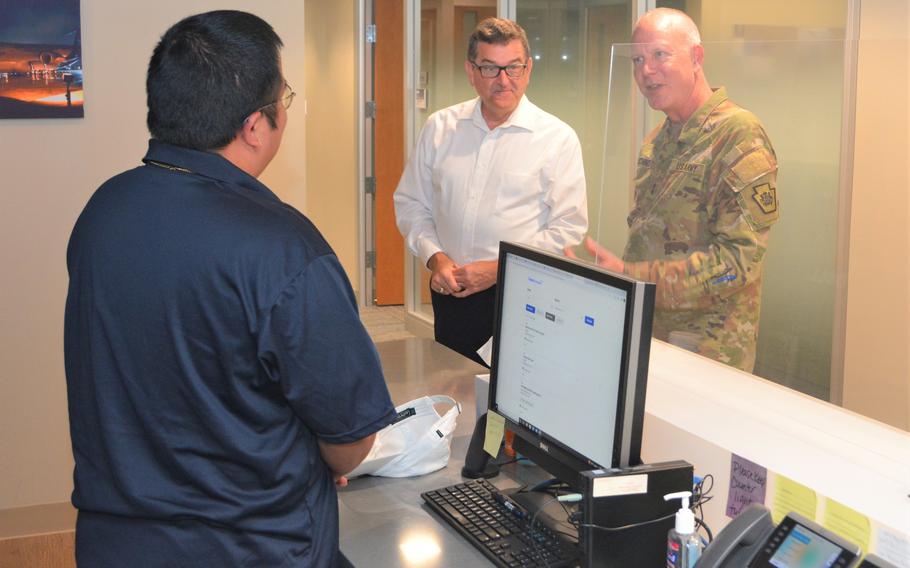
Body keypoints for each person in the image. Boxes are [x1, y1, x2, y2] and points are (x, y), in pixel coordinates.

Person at [64, 11, 396, 567]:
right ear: (254, 125)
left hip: (115, 546)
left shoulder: (103, 210)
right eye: (283, 98)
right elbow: (350, 443)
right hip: (252, 548)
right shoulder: (286, 249)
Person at [567, 8, 778, 373]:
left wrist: (635, 276)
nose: (646, 71)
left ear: (696, 57)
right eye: (637, 60)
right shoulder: (657, 142)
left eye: (660, 54)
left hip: (709, 354)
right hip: (650, 339)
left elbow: (738, 265)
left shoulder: (738, 136)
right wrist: (616, 278)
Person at [394, 17, 588, 366]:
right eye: (490, 68)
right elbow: (411, 204)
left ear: (528, 69)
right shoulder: (440, 127)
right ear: (471, 71)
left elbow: (567, 229)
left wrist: (499, 268)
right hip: (451, 290)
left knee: (511, 405)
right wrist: (435, 257)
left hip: (522, 296)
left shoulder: (557, 139)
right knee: (454, 387)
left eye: (513, 67)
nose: (503, 80)